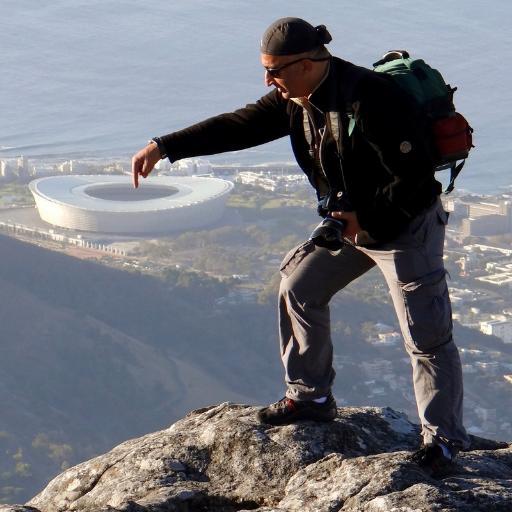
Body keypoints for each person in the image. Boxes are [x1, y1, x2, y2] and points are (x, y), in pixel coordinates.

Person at [131, 17, 470, 472]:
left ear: (310, 63)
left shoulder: (374, 99)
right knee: (299, 286)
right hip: (350, 223)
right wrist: (165, 145)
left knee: (426, 335)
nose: (269, 81)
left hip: (404, 227)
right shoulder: (296, 97)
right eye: (266, 70)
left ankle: (443, 440)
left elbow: (414, 184)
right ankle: (310, 397)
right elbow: (239, 126)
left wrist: (364, 218)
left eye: (276, 71)